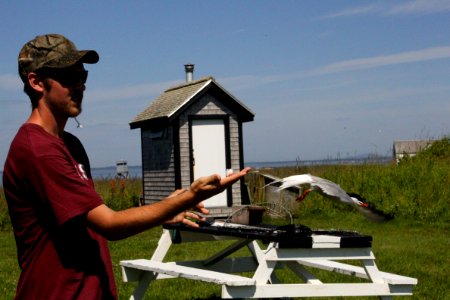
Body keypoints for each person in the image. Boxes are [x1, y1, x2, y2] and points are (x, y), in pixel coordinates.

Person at [2, 33, 250, 300]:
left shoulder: (69, 144)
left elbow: (93, 219)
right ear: (37, 82)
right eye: (68, 78)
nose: (80, 86)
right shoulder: (38, 151)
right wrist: (191, 196)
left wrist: (162, 211)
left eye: (82, 77)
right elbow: (110, 225)